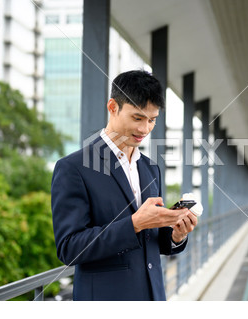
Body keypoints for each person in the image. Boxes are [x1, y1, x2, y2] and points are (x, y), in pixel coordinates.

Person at [51, 70, 197, 301]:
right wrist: (134, 223)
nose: (144, 129)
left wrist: (176, 235)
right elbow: (69, 248)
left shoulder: (150, 168)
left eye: (152, 120)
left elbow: (151, 243)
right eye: (137, 118)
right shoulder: (73, 168)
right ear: (112, 107)